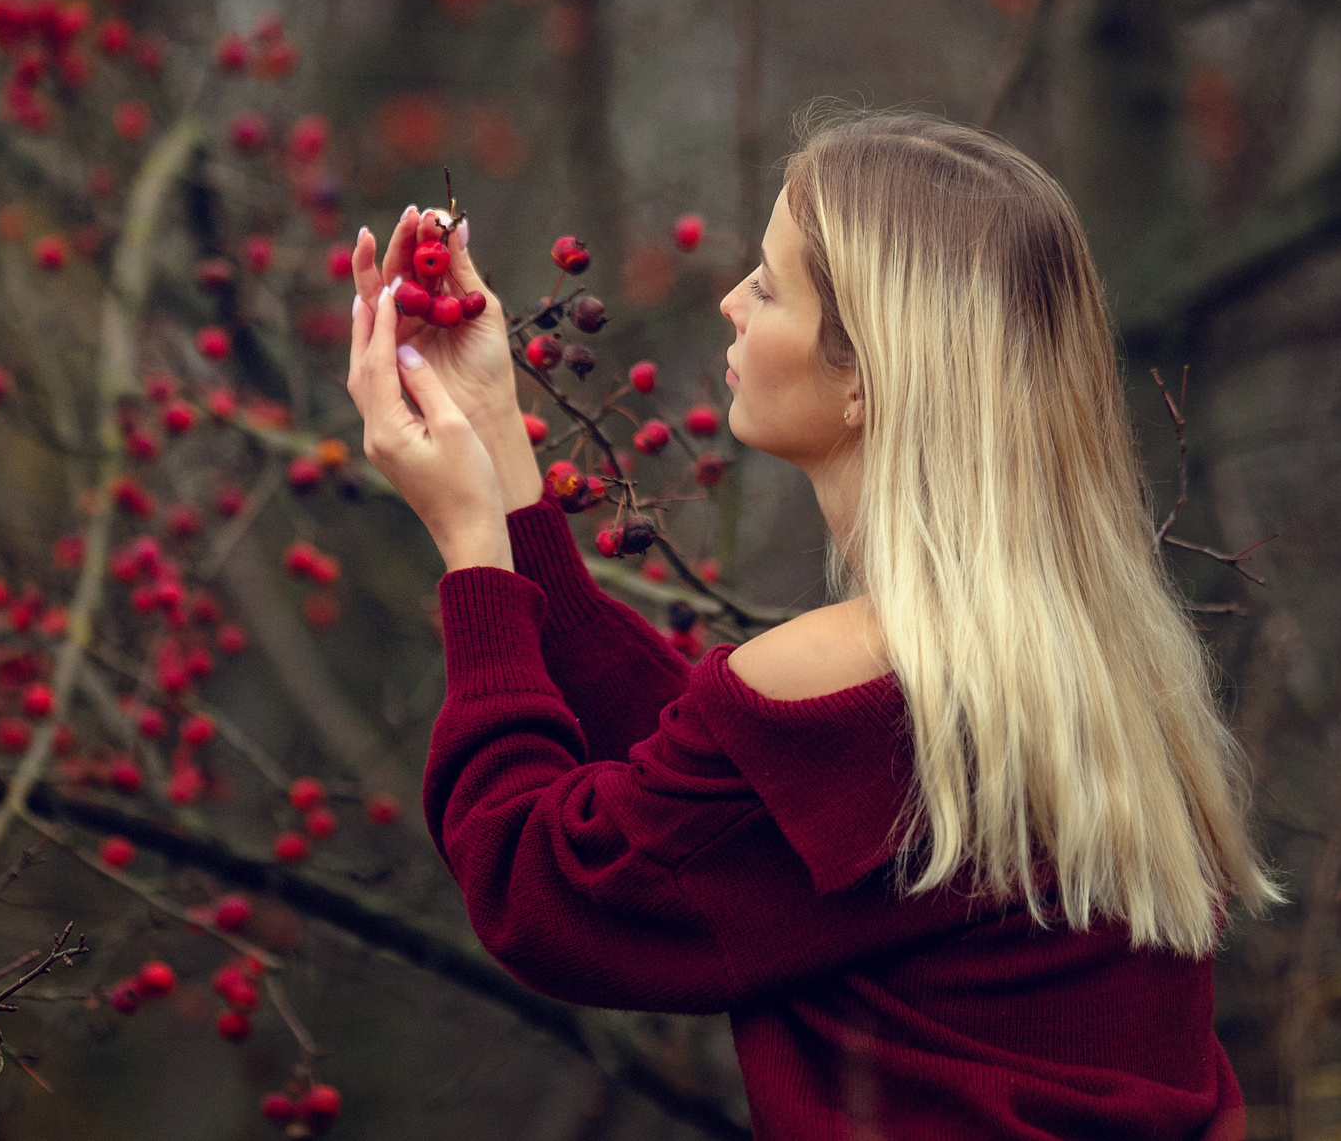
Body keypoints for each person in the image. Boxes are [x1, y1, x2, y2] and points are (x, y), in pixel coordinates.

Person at [344, 104, 1285, 1140]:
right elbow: (736, 802)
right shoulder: (1077, 664)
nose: (731, 299)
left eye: (772, 283)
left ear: (866, 375)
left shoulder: (854, 681)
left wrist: (472, 554)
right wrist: (496, 449)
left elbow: (542, 888)